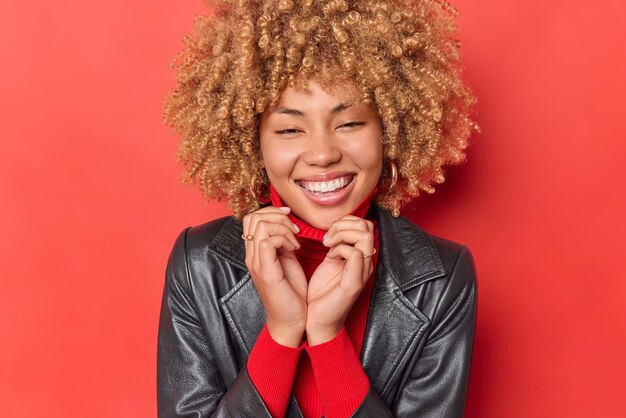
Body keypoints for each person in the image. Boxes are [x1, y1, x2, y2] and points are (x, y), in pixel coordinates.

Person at [157, 0, 479, 417]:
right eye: (290, 129)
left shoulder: (442, 278)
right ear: (254, 144)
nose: (323, 154)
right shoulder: (197, 264)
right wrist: (282, 333)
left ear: (389, 129)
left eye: (349, 123)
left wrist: (327, 340)